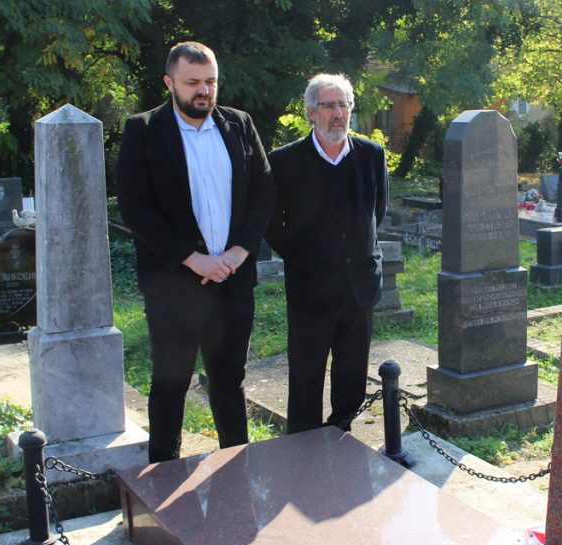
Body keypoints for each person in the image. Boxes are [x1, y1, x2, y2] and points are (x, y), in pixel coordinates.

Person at [117, 41, 275, 462]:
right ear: (169, 82)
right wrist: (193, 258)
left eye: (210, 81)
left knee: (229, 381)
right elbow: (135, 207)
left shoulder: (239, 124)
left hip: (233, 280)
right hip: (174, 284)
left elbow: (264, 192)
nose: (204, 90)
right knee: (170, 384)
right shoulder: (143, 130)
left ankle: (236, 465)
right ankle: (162, 475)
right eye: (192, 82)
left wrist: (239, 252)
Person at [266, 73, 387, 434]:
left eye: (343, 105)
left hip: (358, 285)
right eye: (328, 105)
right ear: (311, 112)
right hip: (310, 288)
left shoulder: (371, 155)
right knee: (306, 376)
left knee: (352, 374)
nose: (337, 113)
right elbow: (272, 225)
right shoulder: (284, 161)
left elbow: (377, 211)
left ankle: (341, 436)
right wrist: (307, 257)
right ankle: (303, 447)